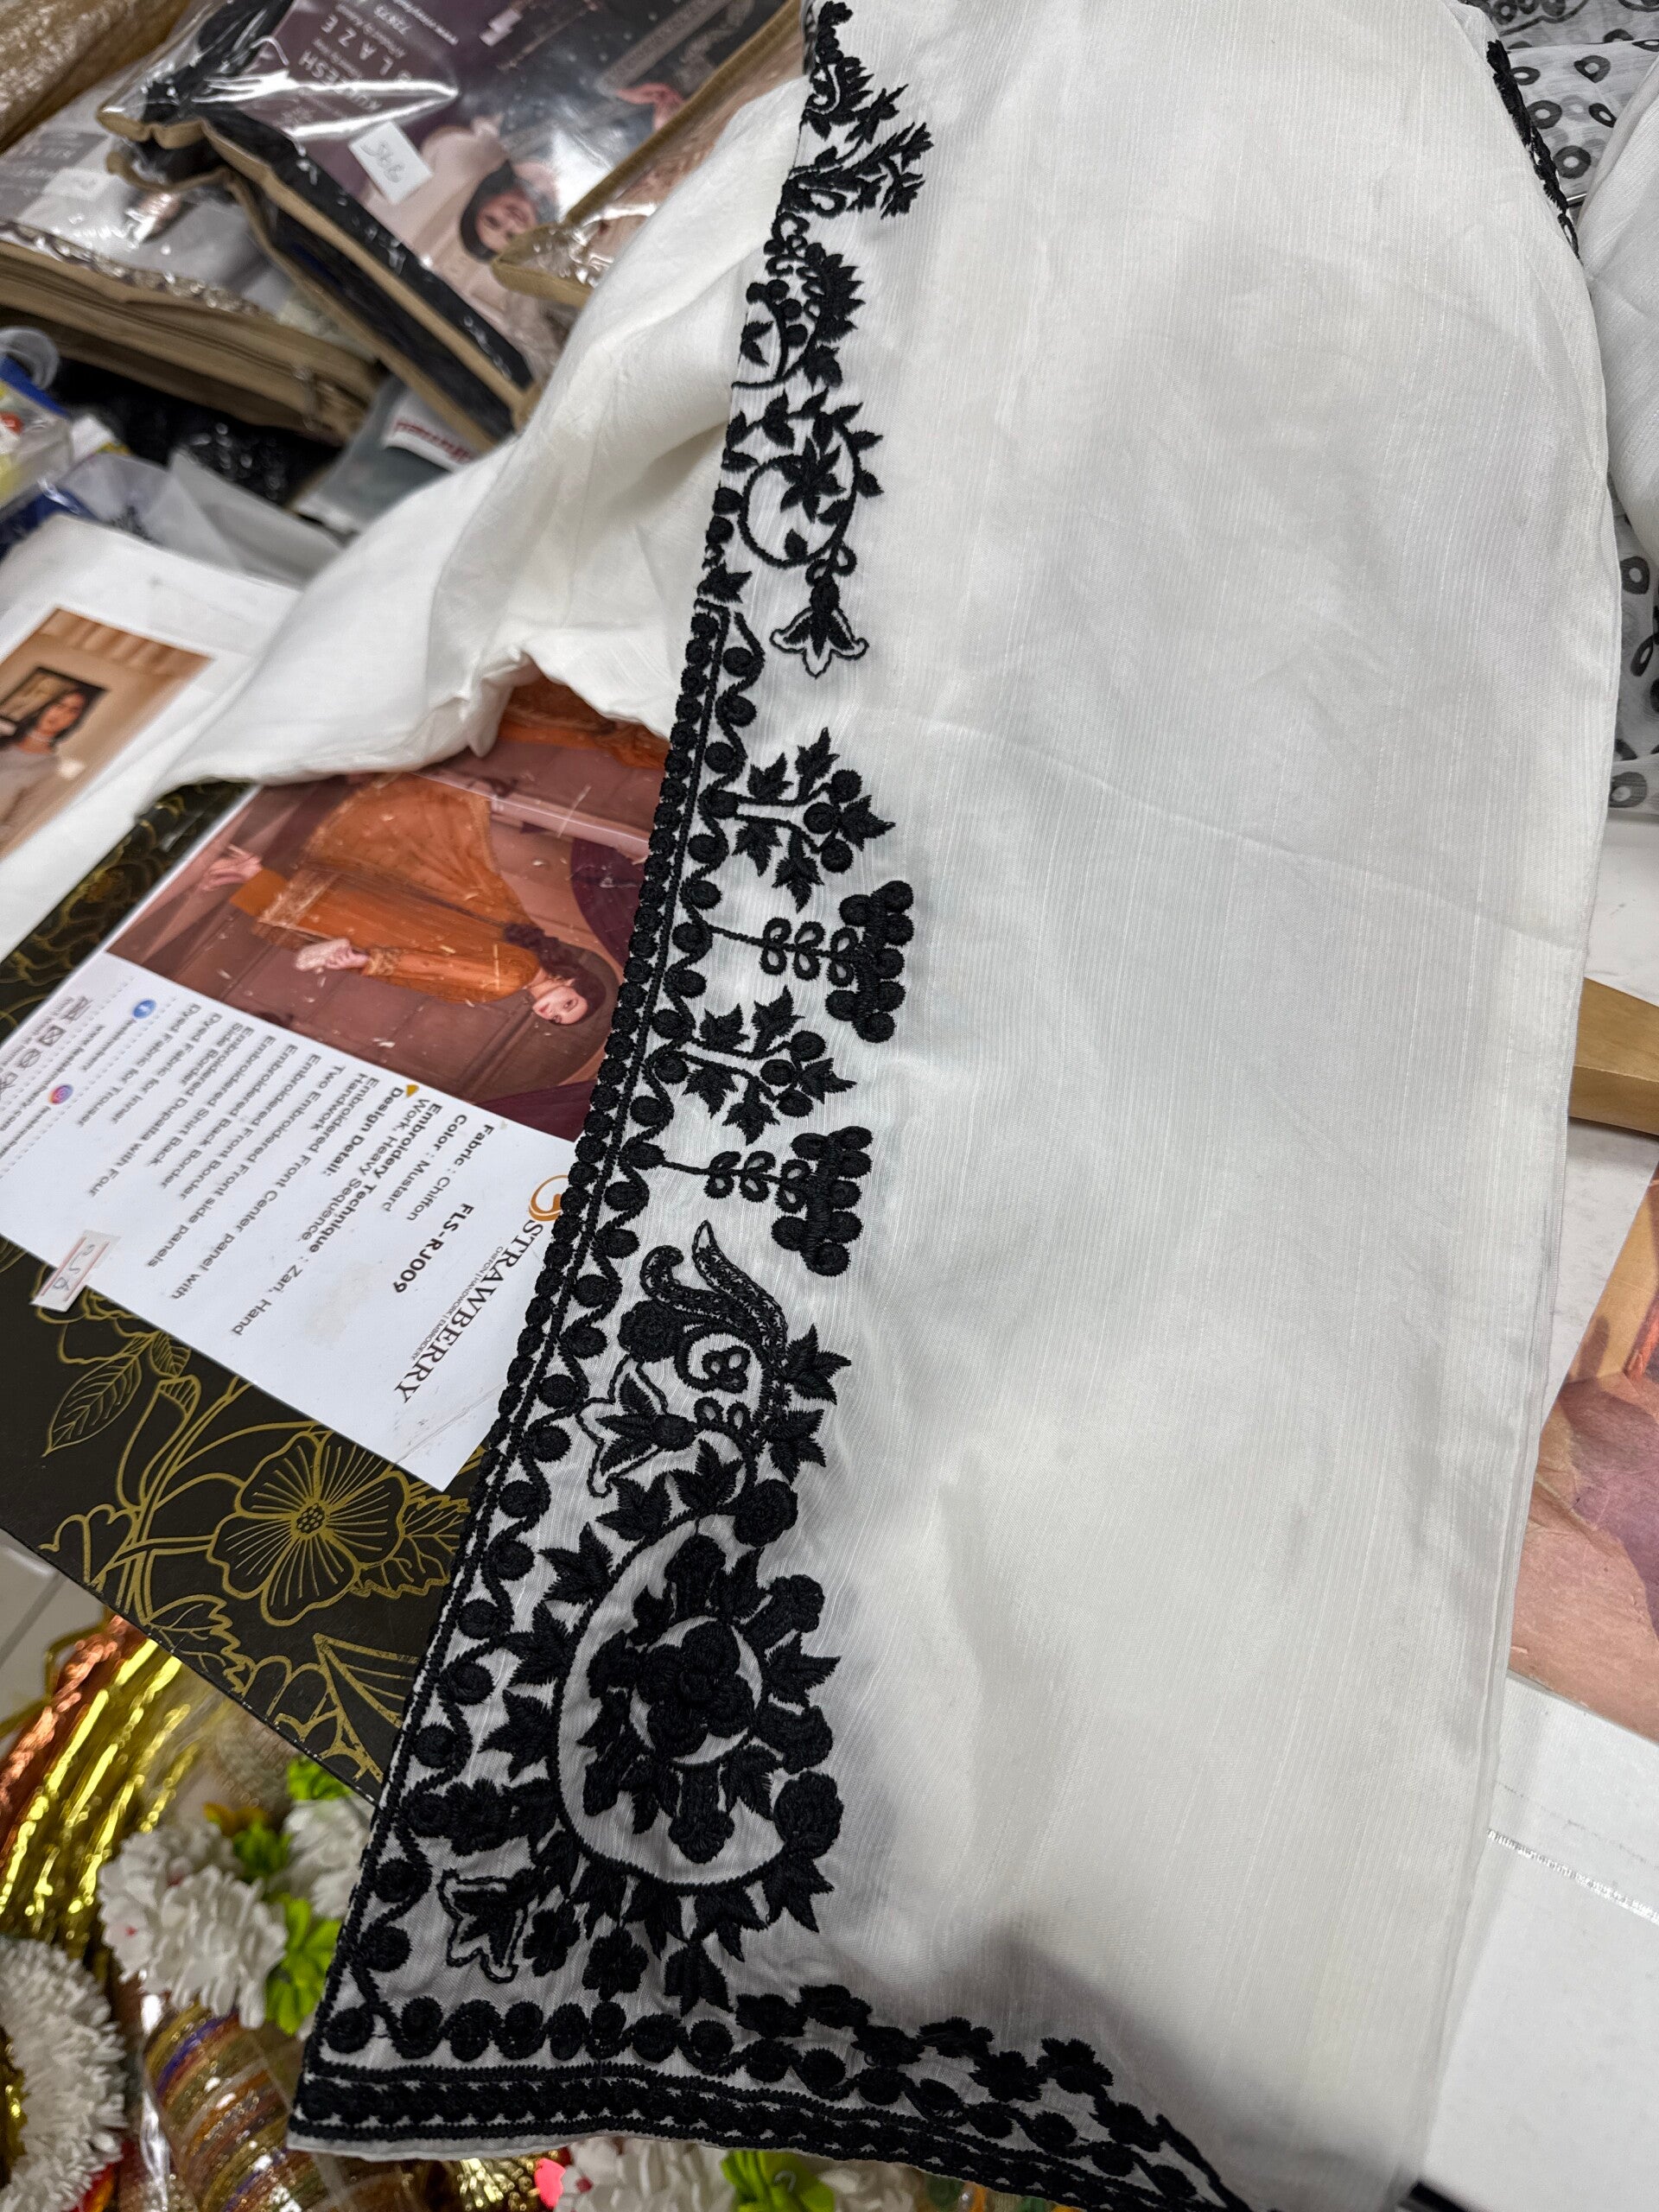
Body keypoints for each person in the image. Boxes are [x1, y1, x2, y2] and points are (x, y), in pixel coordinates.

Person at [200, 772, 610, 1025]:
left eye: (559, 1019)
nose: (554, 1012)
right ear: (570, 981)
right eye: (568, 1004)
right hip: (397, 937)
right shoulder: (513, 979)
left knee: (313, 911)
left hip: (409, 926)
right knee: (311, 915)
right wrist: (369, 961)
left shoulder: (525, 964)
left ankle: (243, 872)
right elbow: (439, 967)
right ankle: (247, 870)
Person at [0, 680, 97, 840]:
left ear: (76, 720)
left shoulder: (49, 766)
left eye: (72, 710)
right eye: (59, 705)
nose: (60, 713)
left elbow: (13, 826)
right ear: (47, 706)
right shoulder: (4, 736)